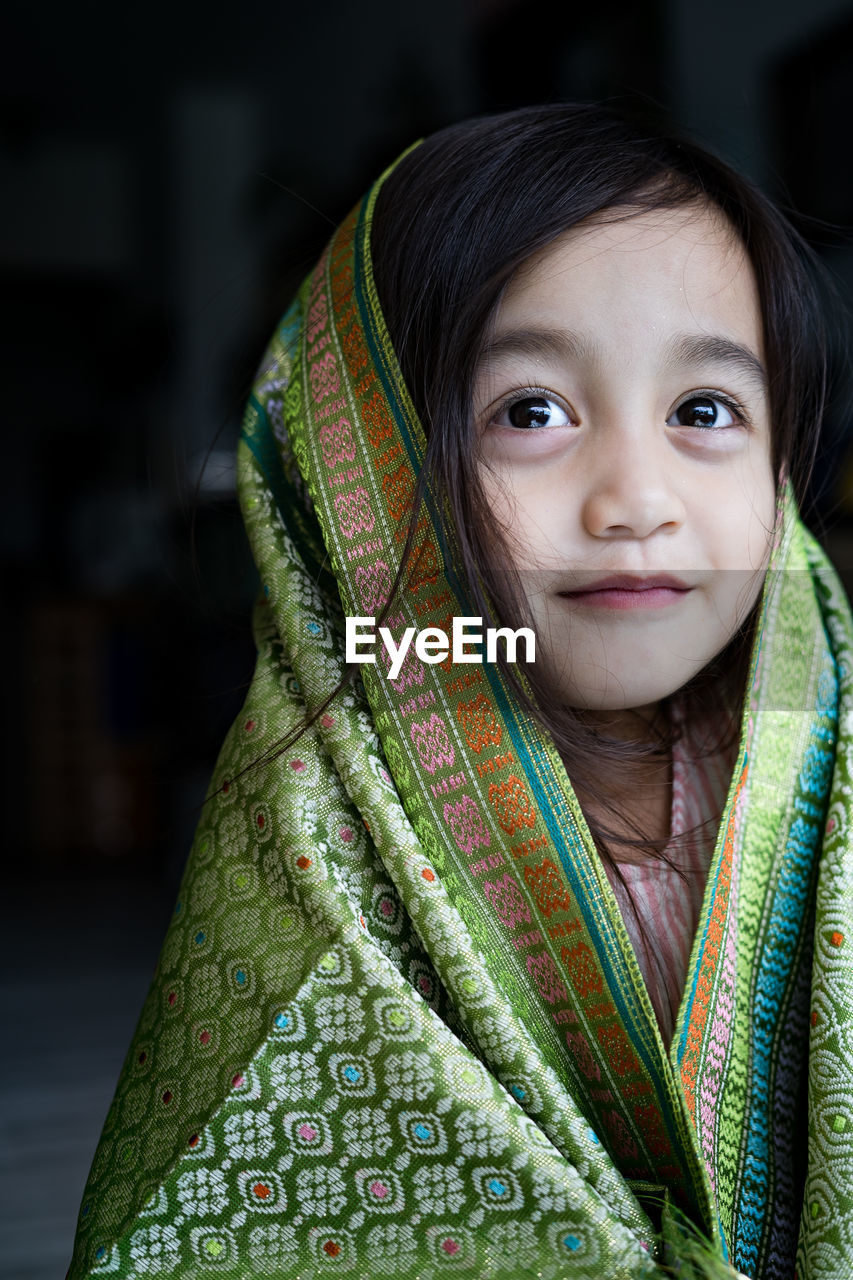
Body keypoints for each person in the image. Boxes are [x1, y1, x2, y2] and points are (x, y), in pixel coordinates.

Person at [68, 105, 853, 1280]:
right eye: (529, 412)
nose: (634, 496)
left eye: (704, 411)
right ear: (373, 473)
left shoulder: (820, 776)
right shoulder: (326, 827)